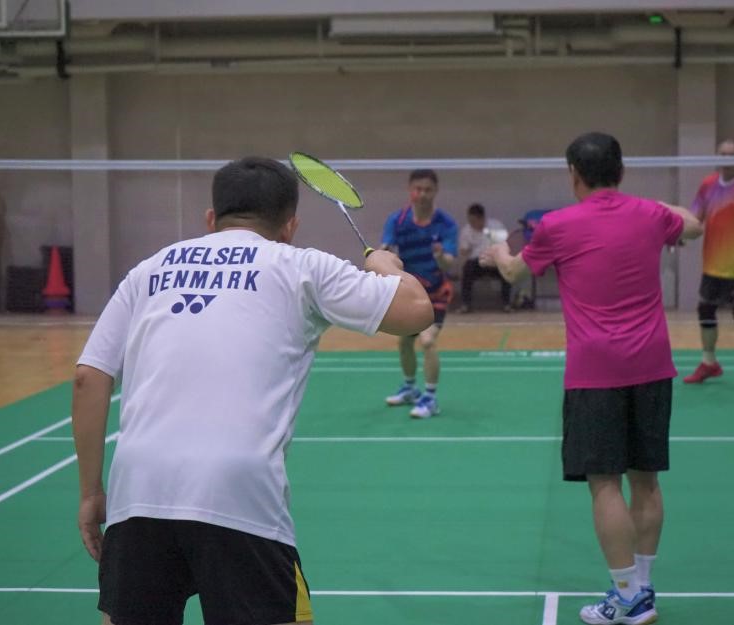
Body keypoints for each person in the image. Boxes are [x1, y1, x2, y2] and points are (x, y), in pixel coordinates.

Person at [72, 156, 433, 625]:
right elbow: (416, 310)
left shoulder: (148, 271)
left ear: (211, 218)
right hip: (240, 495)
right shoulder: (300, 265)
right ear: (290, 226)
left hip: (137, 491)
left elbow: (88, 377)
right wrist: (385, 266)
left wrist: (90, 492)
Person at [482, 132, 703, 625]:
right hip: (653, 366)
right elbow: (693, 225)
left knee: (605, 484)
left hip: (595, 371)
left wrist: (496, 253)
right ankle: (642, 588)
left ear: (574, 175)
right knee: (646, 480)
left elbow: (515, 273)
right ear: (621, 172)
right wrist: (650, 206)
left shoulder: (557, 225)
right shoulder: (651, 215)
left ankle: (626, 597)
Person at [682, 138, 734, 393]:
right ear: (717, 156)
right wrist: (679, 235)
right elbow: (694, 218)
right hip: (712, 265)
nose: (727, 160)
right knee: (705, 313)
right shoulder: (707, 185)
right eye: (723, 155)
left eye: (732, 155)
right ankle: (709, 362)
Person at [380, 169, 458, 419]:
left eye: (427, 190)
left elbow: (449, 263)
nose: (422, 194)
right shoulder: (397, 220)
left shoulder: (446, 224)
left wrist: (440, 256)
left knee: (427, 341)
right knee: (404, 341)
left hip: (436, 292)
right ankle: (410, 388)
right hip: (409, 292)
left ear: (435, 192)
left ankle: (431, 399)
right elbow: (386, 249)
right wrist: (383, 254)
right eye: (418, 189)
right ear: (410, 191)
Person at [457, 202, 512, 313]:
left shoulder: (496, 226)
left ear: (482, 218)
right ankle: (465, 305)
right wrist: (465, 251)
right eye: (470, 221)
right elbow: (464, 252)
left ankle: (506, 304)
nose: (472, 224)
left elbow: (505, 246)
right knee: (467, 268)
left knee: (508, 270)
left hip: (495, 260)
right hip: (477, 262)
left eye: (474, 221)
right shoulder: (466, 230)